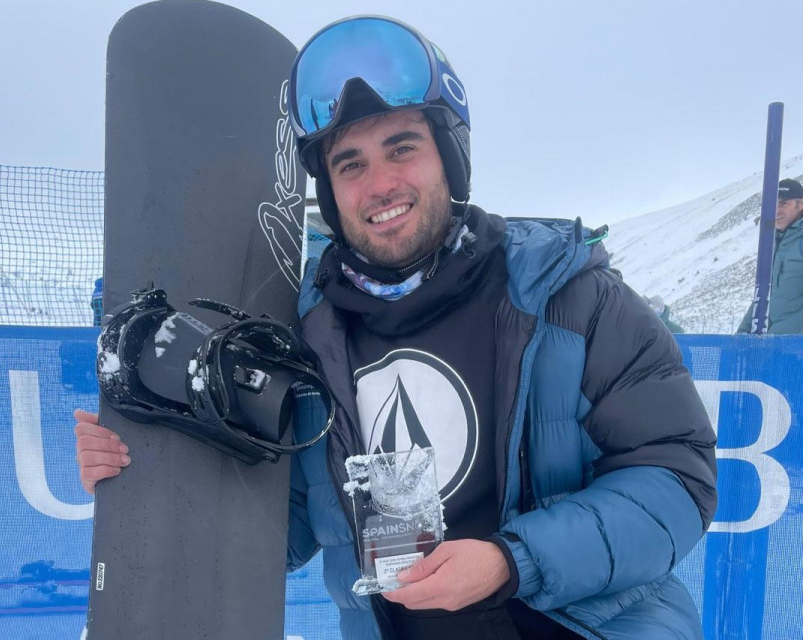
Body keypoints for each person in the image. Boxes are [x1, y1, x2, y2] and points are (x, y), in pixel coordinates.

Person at [75, 16, 717, 640]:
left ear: (449, 156)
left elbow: (676, 479)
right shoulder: (308, 341)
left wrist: (509, 562)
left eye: (402, 148)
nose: (379, 184)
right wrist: (150, 468)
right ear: (328, 189)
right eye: (349, 164)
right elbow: (281, 532)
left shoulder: (570, 296)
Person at [737, 177, 803, 334]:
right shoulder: (771, 242)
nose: (776, 210)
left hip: (794, 346)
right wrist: (743, 333)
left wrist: (788, 336)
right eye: (773, 203)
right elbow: (763, 296)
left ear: (800, 204)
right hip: (775, 344)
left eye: (784, 203)